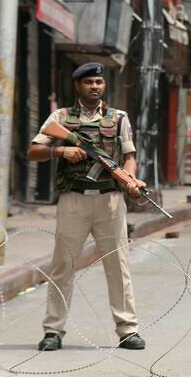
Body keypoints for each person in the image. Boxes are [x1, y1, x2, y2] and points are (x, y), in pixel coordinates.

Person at [27, 62, 147, 351]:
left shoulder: (119, 118)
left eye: (99, 82)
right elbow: (33, 151)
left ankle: (128, 329)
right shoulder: (61, 117)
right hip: (74, 200)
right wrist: (60, 150)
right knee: (63, 266)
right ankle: (53, 330)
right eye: (89, 82)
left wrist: (129, 178)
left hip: (110, 200)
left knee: (118, 267)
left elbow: (129, 155)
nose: (95, 87)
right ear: (77, 85)